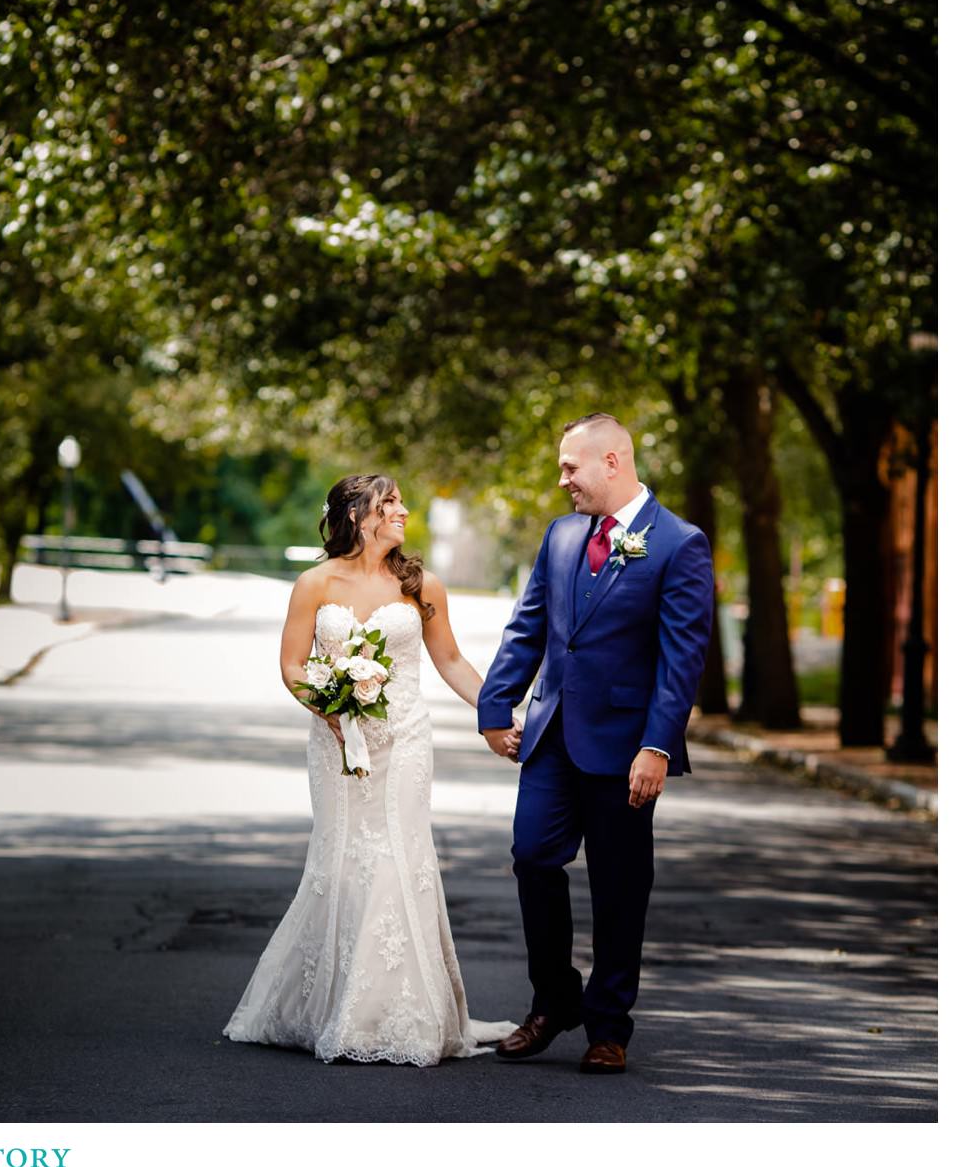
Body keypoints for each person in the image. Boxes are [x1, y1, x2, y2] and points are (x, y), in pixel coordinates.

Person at [223, 472, 516, 1065]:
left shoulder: (420, 583)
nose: (404, 510)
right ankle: (331, 1004)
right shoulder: (314, 584)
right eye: (391, 503)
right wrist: (329, 707)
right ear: (358, 516)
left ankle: (395, 1010)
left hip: (405, 741)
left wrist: (501, 715)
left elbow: (452, 660)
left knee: (399, 858)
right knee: (341, 857)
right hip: (336, 743)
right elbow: (293, 666)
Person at [478, 413, 714, 1074]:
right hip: (551, 736)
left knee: (618, 886)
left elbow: (681, 660)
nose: (562, 481)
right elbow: (527, 626)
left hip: (624, 744)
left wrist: (658, 746)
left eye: (569, 468)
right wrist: (496, 704)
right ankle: (554, 1002)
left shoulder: (677, 543)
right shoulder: (559, 537)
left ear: (611, 461)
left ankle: (608, 1025)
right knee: (531, 857)